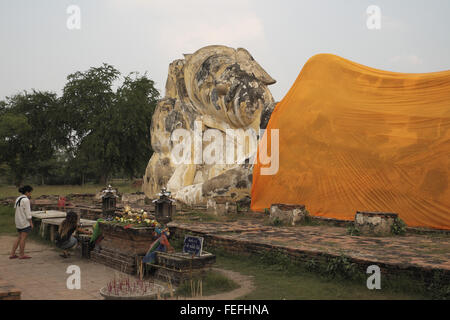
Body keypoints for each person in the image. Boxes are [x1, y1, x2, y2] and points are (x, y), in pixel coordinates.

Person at [10, 185, 34, 260]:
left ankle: (12, 254)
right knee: (23, 238)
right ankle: (21, 254)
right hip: (24, 221)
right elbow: (28, 213)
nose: (30, 194)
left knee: (19, 237)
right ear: (27, 192)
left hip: (18, 221)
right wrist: (31, 222)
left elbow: (16, 209)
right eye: (30, 192)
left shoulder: (18, 198)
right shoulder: (26, 200)